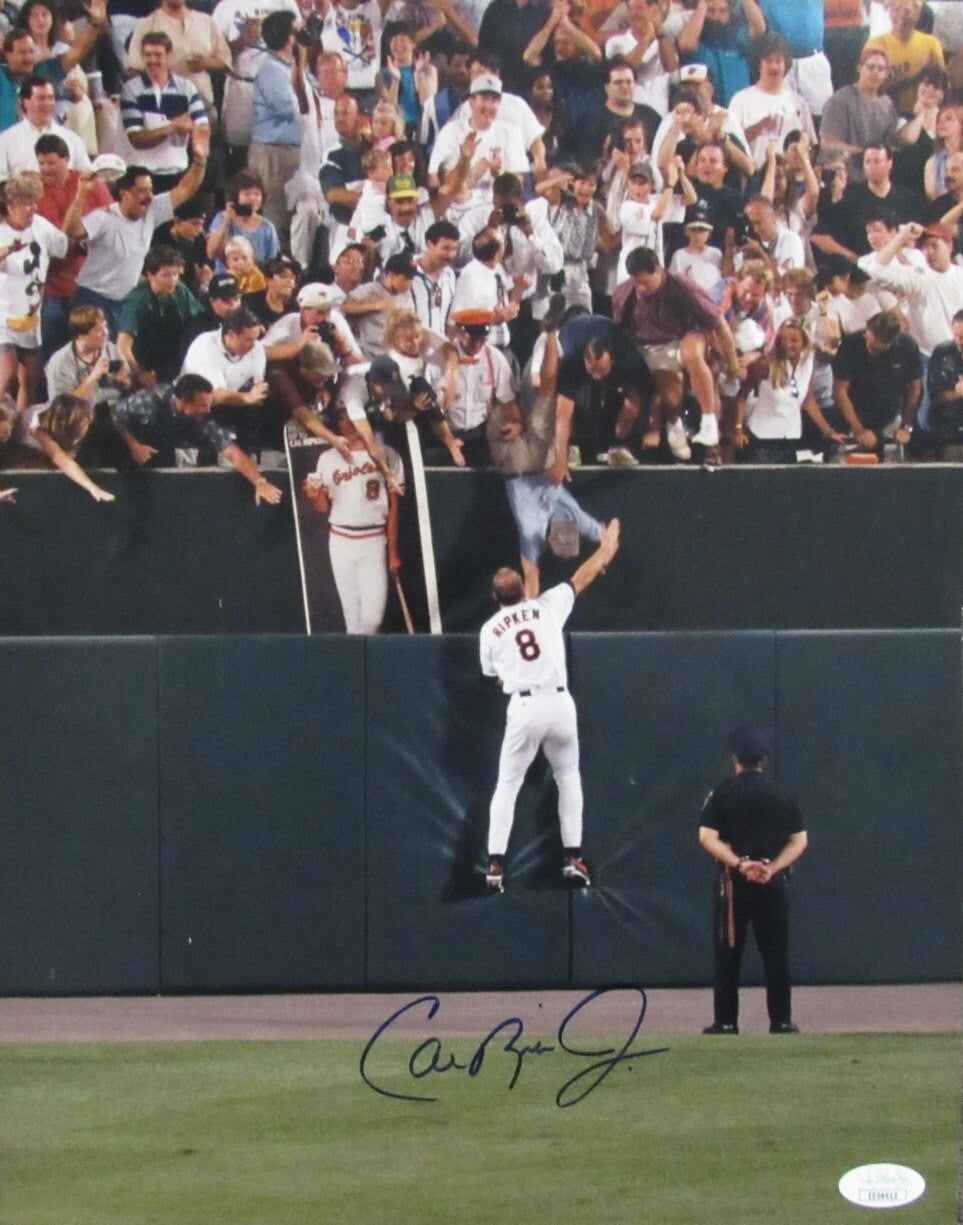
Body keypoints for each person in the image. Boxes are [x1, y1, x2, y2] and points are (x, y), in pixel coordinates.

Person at [480, 517, 621, 893]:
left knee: (508, 784)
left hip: (525, 705)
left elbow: (492, 677)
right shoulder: (545, 607)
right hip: (559, 702)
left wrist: (514, 676)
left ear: (495, 597)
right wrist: (605, 550)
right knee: (568, 776)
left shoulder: (490, 630)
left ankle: (495, 864)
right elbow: (581, 577)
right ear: (523, 591)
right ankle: (573, 857)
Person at [698, 724, 809, 1035]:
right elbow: (799, 840)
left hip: (733, 884)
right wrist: (772, 868)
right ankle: (781, 1020)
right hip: (771, 882)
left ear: (735, 758)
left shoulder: (721, 794)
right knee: (775, 953)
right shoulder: (783, 795)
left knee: (728, 952)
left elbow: (706, 837)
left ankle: (726, 1021)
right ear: (764, 760)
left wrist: (739, 863)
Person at [302, 405, 404, 634]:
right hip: (341, 540)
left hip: (373, 540)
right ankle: (358, 658)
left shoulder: (387, 454)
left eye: (351, 418)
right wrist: (313, 496)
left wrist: (393, 552)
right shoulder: (327, 458)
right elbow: (322, 508)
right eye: (341, 418)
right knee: (352, 619)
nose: (347, 424)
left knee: (372, 619)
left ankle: (361, 654)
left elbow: (394, 507)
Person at [112, 371, 284, 502]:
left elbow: (233, 452)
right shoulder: (148, 402)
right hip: (122, 440)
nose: (208, 410)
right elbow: (115, 415)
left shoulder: (201, 419)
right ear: (183, 403)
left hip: (160, 445)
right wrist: (134, 445)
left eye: (209, 404)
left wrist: (260, 482)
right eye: (202, 405)